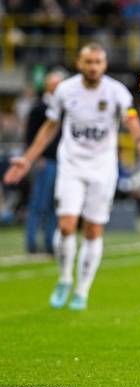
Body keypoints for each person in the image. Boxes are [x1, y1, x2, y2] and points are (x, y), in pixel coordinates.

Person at [3, 43, 140, 311]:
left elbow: (134, 126)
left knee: (92, 231)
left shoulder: (116, 92)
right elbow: (50, 127)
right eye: (88, 62)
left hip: (102, 169)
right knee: (66, 226)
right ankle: (65, 277)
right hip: (72, 166)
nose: (93, 67)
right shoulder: (66, 91)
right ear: (79, 63)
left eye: (98, 62)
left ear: (105, 64)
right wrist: (27, 159)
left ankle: (82, 289)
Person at [24, 70, 65, 254]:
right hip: (45, 161)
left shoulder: (64, 106)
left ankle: (50, 243)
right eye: (55, 84)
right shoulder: (39, 107)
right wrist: (36, 157)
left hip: (62, 161)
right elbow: (30, 135)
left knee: (54, 204)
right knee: (38, 203)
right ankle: (32, 243)